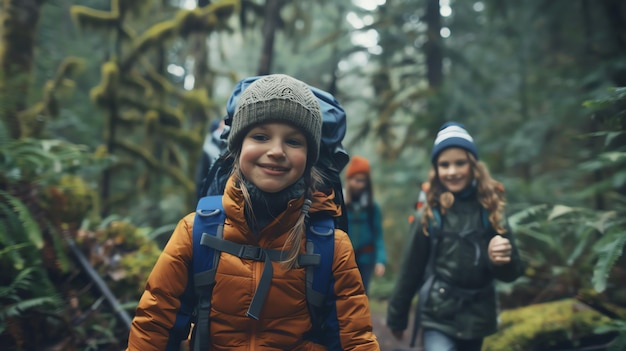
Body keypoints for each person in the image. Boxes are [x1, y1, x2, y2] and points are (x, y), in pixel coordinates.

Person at [127, 74, 380, 351]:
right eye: (260, 136)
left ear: (310, 156)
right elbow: (155, 324)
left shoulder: (332, 247)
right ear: (237, 147)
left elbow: (355, 340)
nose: (276, 151)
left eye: (294, 141)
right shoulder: (196, 232)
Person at [386, 122, 524, 351]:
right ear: (436, 169)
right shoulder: (429, 213)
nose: (452, 171)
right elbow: (411, 269)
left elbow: (513, 273)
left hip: (477, 314)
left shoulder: (491, 209)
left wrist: (500, 259)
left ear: (473, 165)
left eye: (460, 163)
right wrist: (397, 317)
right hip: (438, 313)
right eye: (444, 164)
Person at [344, 156, 387, 293]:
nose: (359, 184)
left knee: (362, 292)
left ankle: (362, 315)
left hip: (366, 258)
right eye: (356, 180)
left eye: (363, 181)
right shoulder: (341, 204)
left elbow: (378, 234)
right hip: (345, 257)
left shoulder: (372, 207)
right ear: (349, 180)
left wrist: (381, 260)